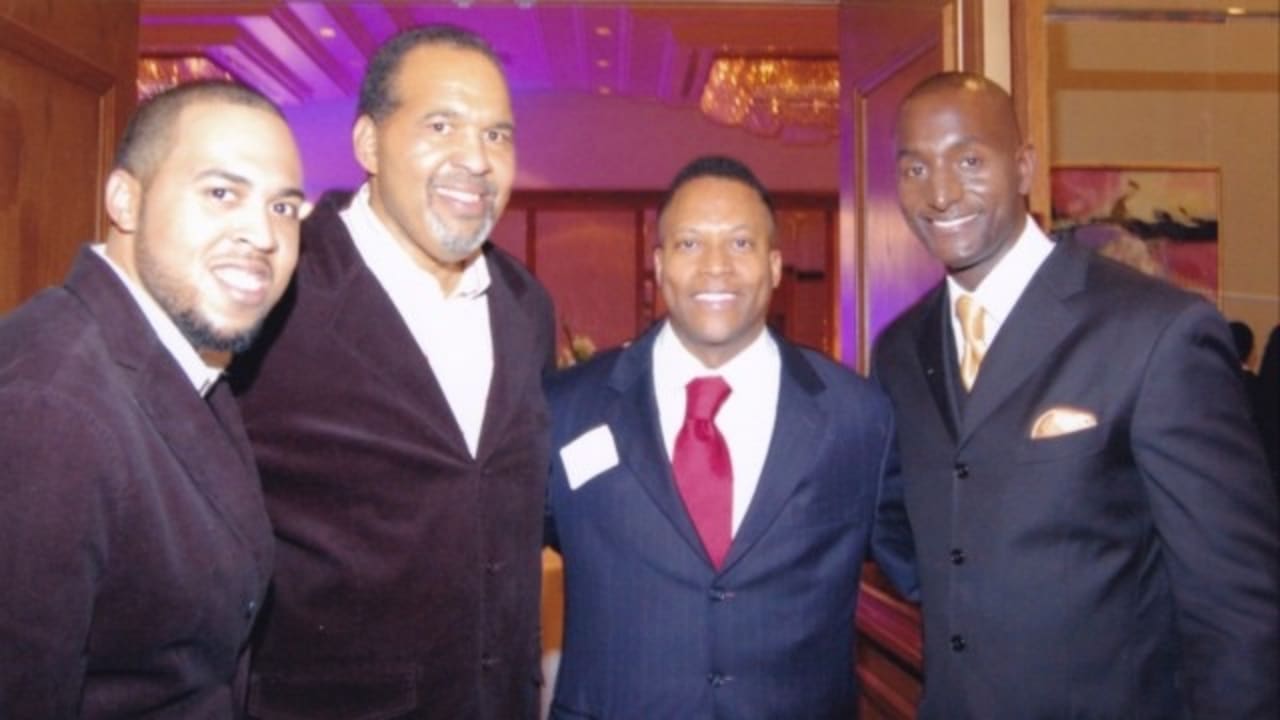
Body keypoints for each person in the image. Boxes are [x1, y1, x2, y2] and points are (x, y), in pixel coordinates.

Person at [873, 71, 1280, 718]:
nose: (941, 193)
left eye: (969, 161)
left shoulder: (1154, 332)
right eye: (914, 169)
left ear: (1024, 166)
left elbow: (1235, 603)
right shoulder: (899, 348)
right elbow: (904, 529)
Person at [230, 24, 555, 719]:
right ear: (368, 144)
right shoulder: (278, 285)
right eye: (442, 125)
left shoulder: (526, 306)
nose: (477, 158)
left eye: (497, 135)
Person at [544, 155, 916, 719]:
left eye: (740, 243)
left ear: (774, 266)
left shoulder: (859, 418)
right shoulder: (568, 408)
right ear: (660, 264)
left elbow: (929, 569)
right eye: (690, 243)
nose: (715, 266)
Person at [0, 81, 306, 717]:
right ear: (125, 200)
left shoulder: (182, 355)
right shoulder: (50, 406)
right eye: (221, 193)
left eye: (282, 207)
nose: (263, 234)